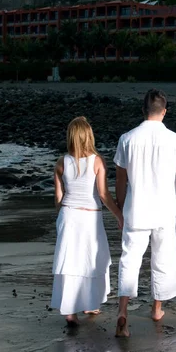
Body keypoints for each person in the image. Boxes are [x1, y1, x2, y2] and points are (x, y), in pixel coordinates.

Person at [114, 89, 176, 337]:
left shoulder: (127, 139)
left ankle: (122, 312)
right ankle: (157, 309)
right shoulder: (175, 139)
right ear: (165, 111)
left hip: (135, 210)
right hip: (164, 210)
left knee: (130, 260)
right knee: (163, 259)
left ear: (143, 110)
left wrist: (119, 209)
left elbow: (120, 180)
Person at [51, 116, 122, 327]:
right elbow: (103, 194)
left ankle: (70, 312)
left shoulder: (62, 162)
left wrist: (62, 216)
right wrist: (119, 214)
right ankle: (90, 303)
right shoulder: (97, 161)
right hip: (90, 215)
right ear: (88, 136)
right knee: (91, 259)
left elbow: (58, 199)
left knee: (69, 261)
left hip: (68, 214)